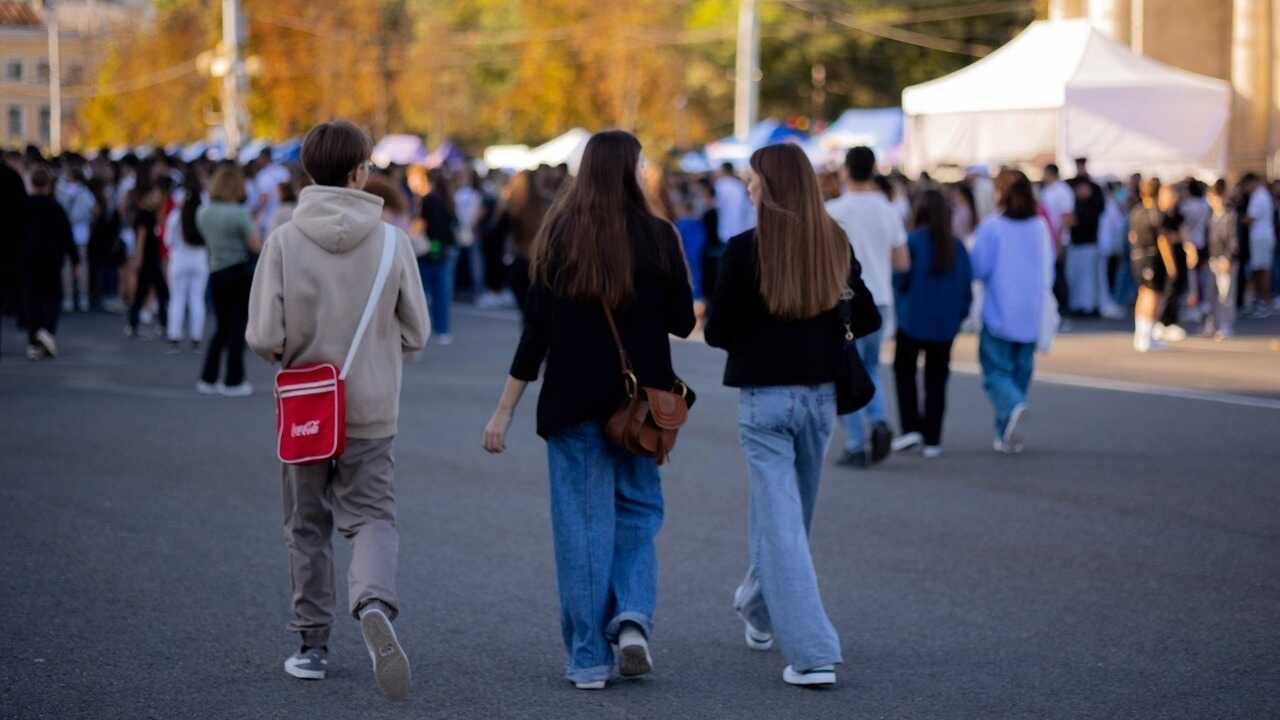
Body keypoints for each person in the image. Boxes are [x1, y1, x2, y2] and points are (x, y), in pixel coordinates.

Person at [482, 130, 695, 691]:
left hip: (573, 404)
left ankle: (587, 660)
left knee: (581, 529)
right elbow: (683, 322)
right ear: (633, 172)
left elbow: (537, 336)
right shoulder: (660, 237)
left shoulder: (558, 237)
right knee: (637, 518)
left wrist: (503, 412)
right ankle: (631, 621)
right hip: (642, 409)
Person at [247, 120, 429, 700]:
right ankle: (373, 601)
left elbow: (263, 334)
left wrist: (295, 351)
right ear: (358, 171)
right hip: (372, 405)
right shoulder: (392, 241)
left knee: (306, 524)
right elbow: (417, 332)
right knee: (372, 516)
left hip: (307, 409)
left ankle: (311, 644)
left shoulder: (282, 240)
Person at [704, 143, 880, 689]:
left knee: (784, 521)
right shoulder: (833, 242)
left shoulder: (742, 250)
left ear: (773, 186)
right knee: (790, 518)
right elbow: (867, 314)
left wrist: (761, 331)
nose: (749, 187)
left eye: (755, 180)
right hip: (820, 396)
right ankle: (762, 611)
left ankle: (811, 653)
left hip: (764, 398)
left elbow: (716, 332)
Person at [824, 146, 908, 468]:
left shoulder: (834, 210)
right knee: (870, 368)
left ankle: (856, 444)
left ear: (846, 170)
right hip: (881, 300)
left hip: (842, 300)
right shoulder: (888, 209)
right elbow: (902, 261)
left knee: (844, 372)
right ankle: (880, 420)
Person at [971, 170, 1050, 454]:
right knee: (1020, 372)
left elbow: (979, 267)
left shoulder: (993, 226)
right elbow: (1048, 266)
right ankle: (1005, 433)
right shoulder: (1039, 225)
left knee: (995, 372)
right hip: (1031, 310)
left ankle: (1013, 407)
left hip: (999, 309)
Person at [891, 189, 972, 458]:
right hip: (945, 325)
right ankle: (933, 439)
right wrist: (959, 316)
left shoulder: (912, 241)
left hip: (912, 320)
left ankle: (911, 427)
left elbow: (900, 279)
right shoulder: (957, 245)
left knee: (905, 373)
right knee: (937, 380)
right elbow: (965, 288)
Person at [196, 164, 260, 396]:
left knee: (221, 327)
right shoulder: (239, 214)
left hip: (215, 271)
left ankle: (208, 377)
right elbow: (255, 244)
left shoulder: (203, 212)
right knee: (237, 328)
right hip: (239, 272)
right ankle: (233, 380)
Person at [20, 166, 77, 360]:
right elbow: (67, 235)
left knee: (32, 300)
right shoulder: (55, 207)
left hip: (29, 259)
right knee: (53, 298)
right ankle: (47, 332)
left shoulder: (24, 206)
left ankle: (34, 339)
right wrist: (75, 259)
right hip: (52, 260)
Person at [164, 174, 208, 352]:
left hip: (179, 260)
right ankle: (196, 338)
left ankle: (174, 337)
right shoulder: (204, 215)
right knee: (197, 299)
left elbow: (168, 241)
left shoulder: (175, 216)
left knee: (177, 299)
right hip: (199, 260)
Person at [415, 167, 459, 345]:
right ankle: (442, 329)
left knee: (422, 291)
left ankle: (421, 329)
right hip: (446, 247)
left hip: (430, 246)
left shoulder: (428, 199)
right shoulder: (448, 199)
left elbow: (422, 224)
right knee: (442, 292)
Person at [125, 179, 170, 338]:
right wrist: (138, 258)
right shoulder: (143, 215)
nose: (157, 198)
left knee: (154, 292)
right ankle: (135, 323)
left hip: (152, 259)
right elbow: (141, 239)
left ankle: (136, 323)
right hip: (147, 260)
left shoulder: (150, 214)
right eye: (154, 195)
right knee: (152, 292)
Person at [1066, 157, 1105, 316]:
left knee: (1088, 278)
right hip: (1076, 242)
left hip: (1089, 242)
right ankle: (1079, 305)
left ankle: (1088, 306)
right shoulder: (1072, 188)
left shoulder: (1095, 193)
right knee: (1076, 277)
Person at [1203, 179, 1238, 340]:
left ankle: (1225, 325)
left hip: (1226, 259)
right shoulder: (1210, 216)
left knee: (1226, 295)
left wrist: (1228, 258)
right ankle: (1212, 324)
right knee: (1211, 295)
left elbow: (1234, 240)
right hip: (1212, 259)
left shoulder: (1231, 215)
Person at [1241, 172, 1274, 317]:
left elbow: (1250, 218)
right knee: (1259, 270)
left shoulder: (1259, 196)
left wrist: (1238, 219)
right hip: (1261, 237)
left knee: (1262, 270)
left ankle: (1263, 303)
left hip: (1261, 238)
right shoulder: (1261, 195)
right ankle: (1261, 302)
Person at [714, 161, 754, 243]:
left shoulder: (721, 184)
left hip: (728, 226)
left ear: (723, 170)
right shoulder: (739, 184)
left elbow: (718, 204)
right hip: (741, 225)